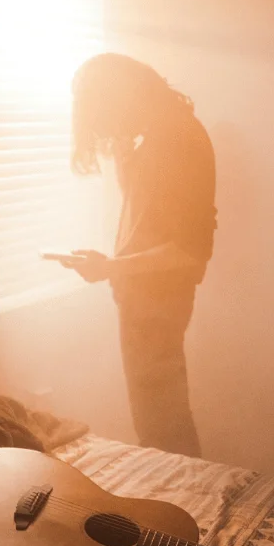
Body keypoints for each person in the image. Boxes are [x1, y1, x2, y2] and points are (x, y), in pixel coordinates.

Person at [60, 53, 216, 457]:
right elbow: (147, 219)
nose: (108, 131)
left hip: (157, 304)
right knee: (158, 423)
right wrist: (126, 157)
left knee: (163, 428)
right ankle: (181, 504)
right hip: (144, 300)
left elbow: (186, 250)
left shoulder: (175, 139)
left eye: (106, 119)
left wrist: (110, 267)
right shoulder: (160, 135)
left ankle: (182, 510)